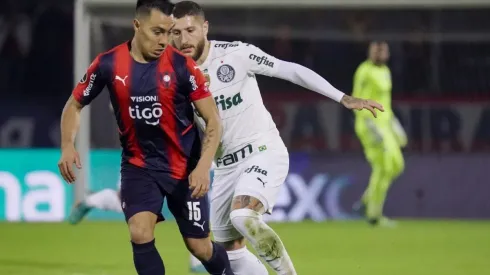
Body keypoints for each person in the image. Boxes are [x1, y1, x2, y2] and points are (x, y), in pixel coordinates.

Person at [170, 2, 384, 274]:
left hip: (261, 150)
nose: (184, 39)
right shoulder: (174, 74)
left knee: (244, 215)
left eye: (190, 30)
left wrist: (342, 97)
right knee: (230, 256)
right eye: (176, 33)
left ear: (205, 28)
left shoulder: (236, 54)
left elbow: (290, 70)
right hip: (225, 167)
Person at [57, 1, 235, 274]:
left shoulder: (182, 66)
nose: (165, 40)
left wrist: (202, 166)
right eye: (157, 32)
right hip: (138, 166)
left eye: (168, 32)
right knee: (140, 233)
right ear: (137, 26)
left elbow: (213, 120)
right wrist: (68, 145)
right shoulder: (108, 63)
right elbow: (74, 104)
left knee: (199, 247)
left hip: (184, 169)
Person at [352, 41, 407, 227]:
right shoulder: (364, 71)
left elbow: (386, 102)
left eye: (383, 51)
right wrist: (369, 124)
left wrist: (395, 126)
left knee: (397, 165)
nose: (379, 54)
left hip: (386, 125)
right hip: (370, 125)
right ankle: (374, 215)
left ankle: (366, 201)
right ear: (370, 53)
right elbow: (356, 99)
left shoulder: (386, 72)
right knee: (382, 168)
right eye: (376, 51)